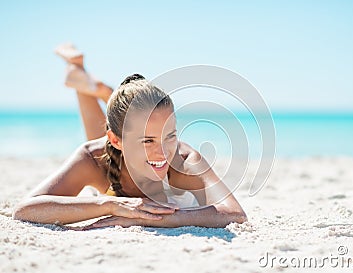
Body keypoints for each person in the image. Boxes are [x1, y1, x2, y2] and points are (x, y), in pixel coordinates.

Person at [12, 43, 247, 229]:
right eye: (149, 141)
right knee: (106, 141)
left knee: (126, 132)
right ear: (115, 141)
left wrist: (155, 219)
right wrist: (110, 204)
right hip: (113, 153)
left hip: (121, 146)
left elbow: (235, 213)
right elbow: (25, 209)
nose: (164, 151)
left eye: (170, 135)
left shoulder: (184, 161)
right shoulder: (91, 156)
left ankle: (92, 82)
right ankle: (92, 84)